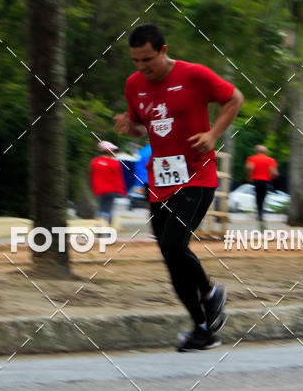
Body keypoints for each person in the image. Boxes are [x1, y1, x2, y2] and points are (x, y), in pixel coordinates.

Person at [114, 23, 244, 351]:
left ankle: (211, 294)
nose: (142, 67)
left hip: (197, 175)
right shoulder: (134, 85)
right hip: (160, 179)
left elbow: (234, 98)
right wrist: (129, 127)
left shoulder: (195, 75)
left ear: (163, 50)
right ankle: (202, 329)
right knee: (170, 256)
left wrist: (213, 135)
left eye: (148, 59)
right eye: (136, 61)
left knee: (174, 243)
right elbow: (141, 130)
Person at [89, 141, 127, 224]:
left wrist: (93, 188)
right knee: (108, 209)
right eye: (113, 151)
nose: (115, 153)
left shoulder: (94, 162)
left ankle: (98, 227)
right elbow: (118, 178)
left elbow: (92, 176)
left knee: (100, 208)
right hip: (111, 190)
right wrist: (122, 191)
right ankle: (109, 231)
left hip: (98, 190)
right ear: (109, 151)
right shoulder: (115, 163)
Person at [245, 145, 278, 224]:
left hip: (256, 181)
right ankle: (261, 214)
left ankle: (259, 213)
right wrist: (272, 177)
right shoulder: (270, 160)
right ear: (265, 152)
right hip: (265, 181)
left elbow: (249, 167)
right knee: (263, 197)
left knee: (258, 197)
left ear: (256, 151)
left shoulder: (252, 158)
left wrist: (249, 176)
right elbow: (274, 172)